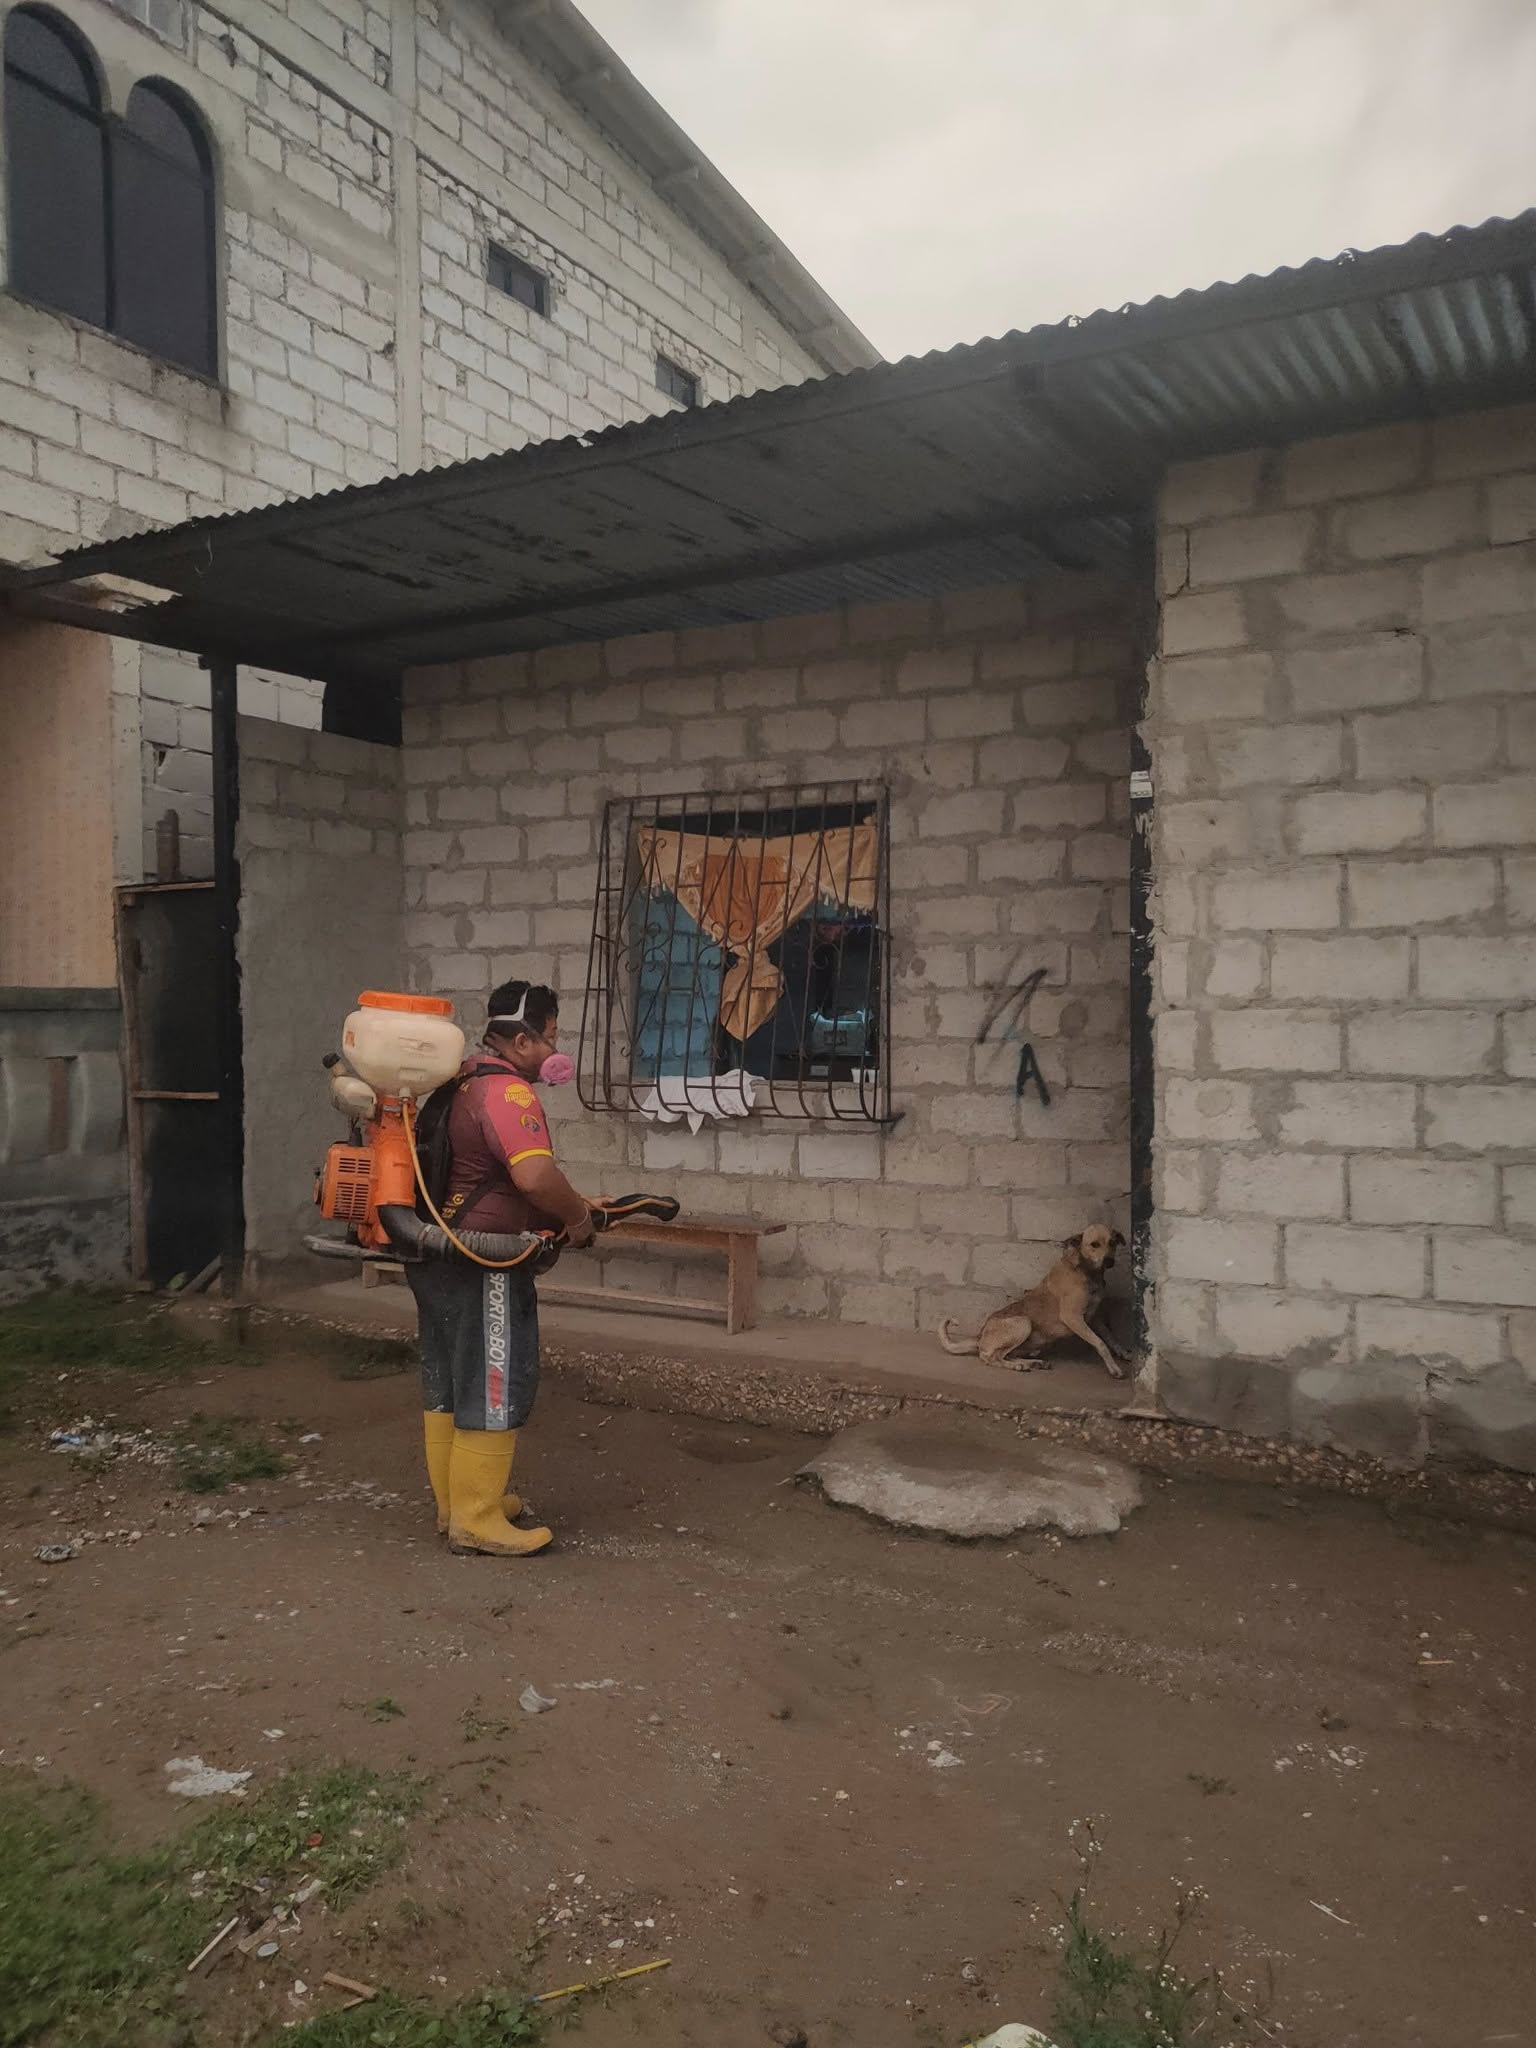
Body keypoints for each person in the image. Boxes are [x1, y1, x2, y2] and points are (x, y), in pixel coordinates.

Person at [410, 978, 593, 1558]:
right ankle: (477, 1517)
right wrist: (578, 1218)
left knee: (449, 1383)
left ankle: (455, 1504)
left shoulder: (458, 1081)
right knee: (494, 1381)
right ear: (521, 1041)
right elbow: (534, 1176)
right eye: (550, 1038)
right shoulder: (508, 1093)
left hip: (435, 1253)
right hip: (482, 1261)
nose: (553, 1051)